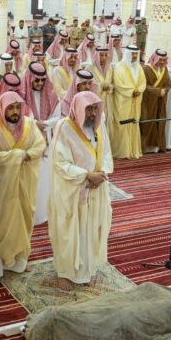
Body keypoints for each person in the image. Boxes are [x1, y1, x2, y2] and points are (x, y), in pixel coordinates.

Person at [49, 92, 112, 289]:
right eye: (88, 109)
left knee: (90, 230)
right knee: (69, 232)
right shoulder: (64, 127)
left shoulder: (99, 126)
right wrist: (86, 175)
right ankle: (65, 273)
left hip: (95, 187)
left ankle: (85, 271)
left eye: (95, 109)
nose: (92, 113)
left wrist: (102, 172)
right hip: (71, 190)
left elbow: (107, 153)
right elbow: (60, 162)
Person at [0, 92, 45, 274]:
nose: (15, 112)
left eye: (18, 107)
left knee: (25, 218)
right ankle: (2, 261)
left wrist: (28, 154)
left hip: (26, 182)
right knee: (3, 220)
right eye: (10, 108)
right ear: (2, 108)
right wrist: (18, 155)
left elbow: (40, 145)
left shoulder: (30, 125)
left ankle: (21, 258)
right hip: (2, 186)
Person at [23, 62, 60, 224]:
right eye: (36, 80)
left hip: (47, 142)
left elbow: (58, 116)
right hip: (29, 143)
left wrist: (44, 124)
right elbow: (19, 118)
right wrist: (33, 123)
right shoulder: (22, 96)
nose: (39, 83)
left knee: (45, 178)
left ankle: (44, 212)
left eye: (42, 80)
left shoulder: (51, 95)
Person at [110, 45, 145, 158]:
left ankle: (132, 150)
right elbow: (118, 85)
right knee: (123, 124)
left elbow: (143, 83)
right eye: (132, 54)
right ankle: (122, 152)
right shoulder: (119, 67)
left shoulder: (139, 67)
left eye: (136, 54)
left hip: (135, 101)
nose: (134, 56)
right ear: (127, 54)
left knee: (134, 123)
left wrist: (139, 90)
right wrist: (132, 91)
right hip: (123, 101)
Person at [141, 49, 171, 153]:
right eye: (160, 60)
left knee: (160, 122)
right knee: (147, 123)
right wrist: (158, 91)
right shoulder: (146, 69)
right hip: (148, 102)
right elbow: (143, 86)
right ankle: (145, 147)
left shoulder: (164, 69)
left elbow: (168, 84)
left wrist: (164, 90)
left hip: (160, 102)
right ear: (154, 58)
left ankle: (156, 147)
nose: (162, 62)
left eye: (164, 60)